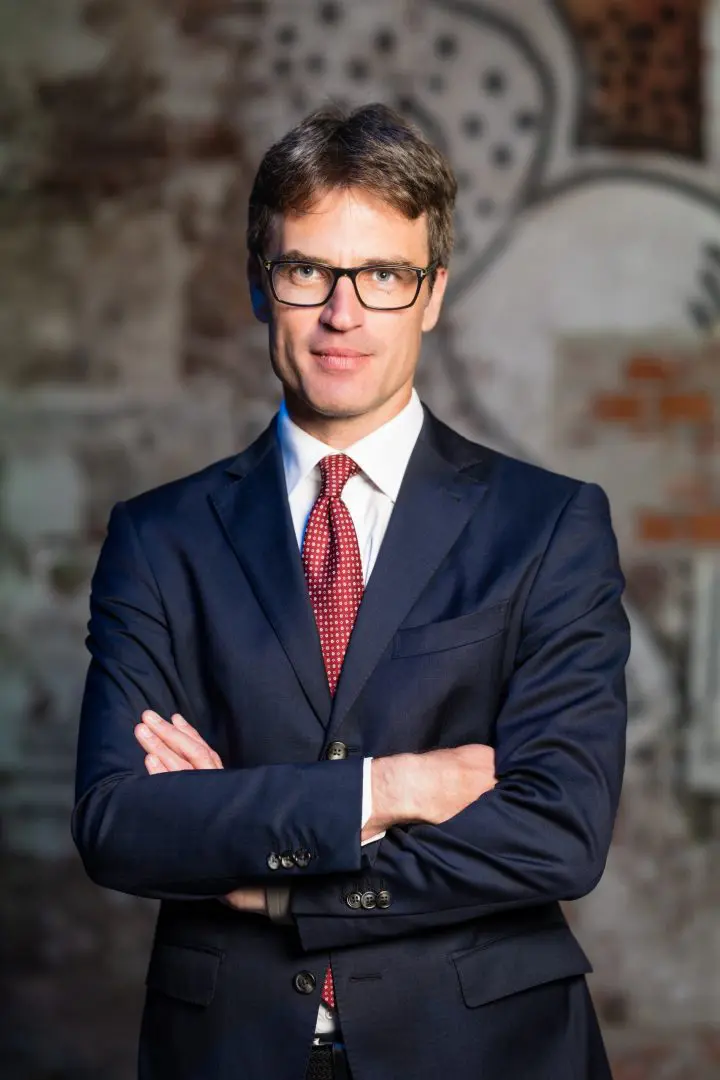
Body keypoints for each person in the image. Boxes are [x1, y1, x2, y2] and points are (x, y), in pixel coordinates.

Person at [72, 103, 630, 1080]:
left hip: (487, 1049)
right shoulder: (158, 539)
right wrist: (390, 790)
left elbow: (559, 833)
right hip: (229, 1051)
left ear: (433, 293)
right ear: (261, 285)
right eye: (308, 272)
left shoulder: (549, 527)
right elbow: (122, 825)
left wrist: (281, 876)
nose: (344, 313)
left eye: (383, 275)